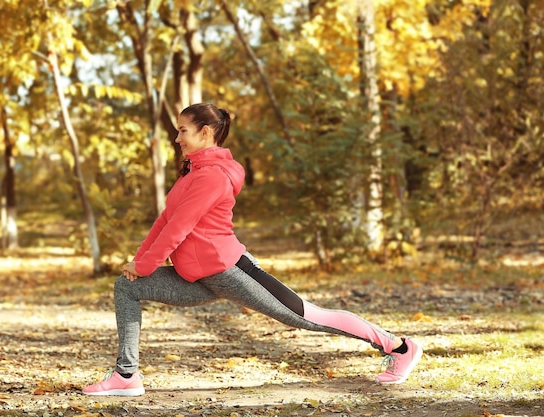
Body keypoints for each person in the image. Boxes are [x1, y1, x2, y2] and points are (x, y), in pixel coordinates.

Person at [82, 103, 422, 396]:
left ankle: (399, 346)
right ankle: (126, 376)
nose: (177, 138)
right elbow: (164, 220)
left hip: (230, 271)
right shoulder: (191, 174)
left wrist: (146, 264)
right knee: (127, 287)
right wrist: (140, 263)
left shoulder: (212, 176)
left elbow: (179, 228)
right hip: (195, 278)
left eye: (183, 130)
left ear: (205, 133)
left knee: (307, 317)